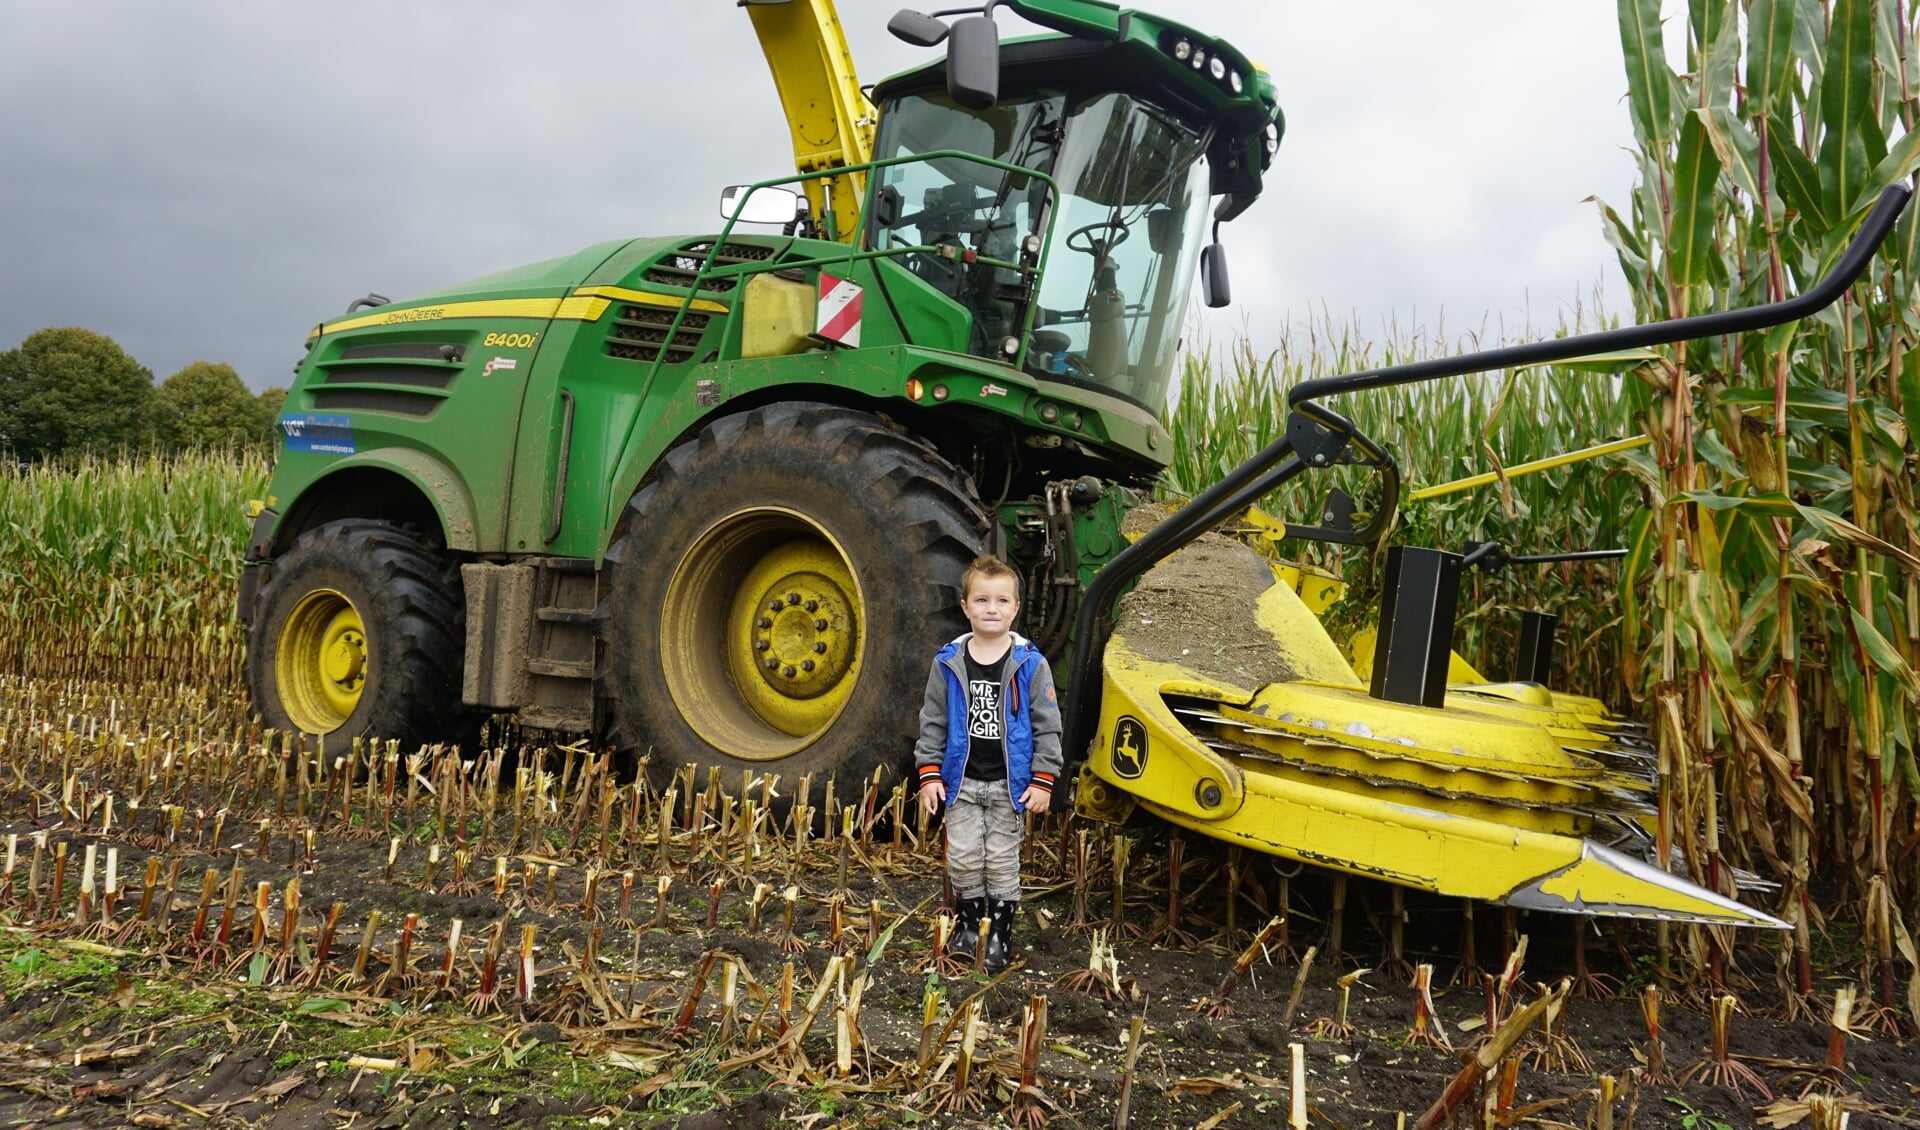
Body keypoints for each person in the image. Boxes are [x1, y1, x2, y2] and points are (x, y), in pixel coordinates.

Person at [914, 555, 1063, 972]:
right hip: (960, 783)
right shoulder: (947, 663)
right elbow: (933, 721)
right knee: (962, 858)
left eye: (1001, 600)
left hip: (1008, 786)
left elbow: (1048, 726)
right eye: (981, 600)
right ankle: (966, 927)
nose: (991, 609)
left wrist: (1044, 779)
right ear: (965, 607)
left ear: (1016, 608)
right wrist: (928, 776)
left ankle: (998, 934)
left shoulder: (1031, 665)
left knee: (1000, 861)